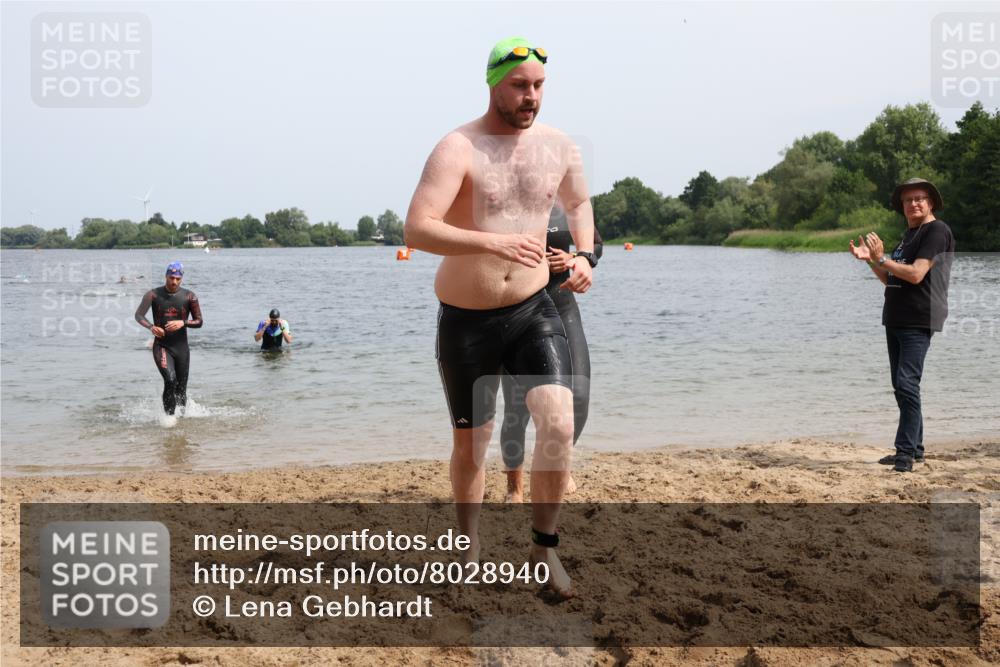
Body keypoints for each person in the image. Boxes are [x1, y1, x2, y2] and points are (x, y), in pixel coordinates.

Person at [403, 37, 595, 598]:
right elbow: (416, 228)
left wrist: (582, 256)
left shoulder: (560, 146)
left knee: (558, 423)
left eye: (538, 85)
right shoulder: (457, 147)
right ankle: (469, 545)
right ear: (493, 83)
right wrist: (494, 242)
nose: (531, 96)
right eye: (519, 85)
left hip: (534, 308)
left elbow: (580, 205)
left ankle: (544, 549)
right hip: (467, 320)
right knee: (472, 445)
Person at [849, 178, 954, 473]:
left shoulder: (937, 231)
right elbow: (891, 278)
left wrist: (882, 256)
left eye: (920, 198)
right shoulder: (909, 235)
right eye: (908, 200)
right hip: (895, 317)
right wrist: (872, 261)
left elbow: (916, 274)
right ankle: (915, 448)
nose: (914, 203)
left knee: (908, 384)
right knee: (901, 385)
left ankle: (905, 454)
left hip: (919, 317)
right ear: (902, 207)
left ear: (931, 202)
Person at [501, 206, 602, 503]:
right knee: (517, 408)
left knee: (579, 396)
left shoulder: (567, 201)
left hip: (563, 305)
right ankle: (514, 488)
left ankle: (559, 460)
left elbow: (595, 243)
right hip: (518, 309)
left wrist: (575, 258)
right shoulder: (507, 203)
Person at [134, 262, 203, 419]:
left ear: (181, 278)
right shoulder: (153, 295)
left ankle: (182, 419)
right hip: (162, 345)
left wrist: (183, 322)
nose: (174, 282)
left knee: (181, 389)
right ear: (166, 276)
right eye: (171, 277)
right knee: (170, 380)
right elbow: (138, 315)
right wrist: (151, 327)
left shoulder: (190, 296)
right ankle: (168, 419)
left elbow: (199, 321)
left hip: (182, 348)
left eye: (178, 278)